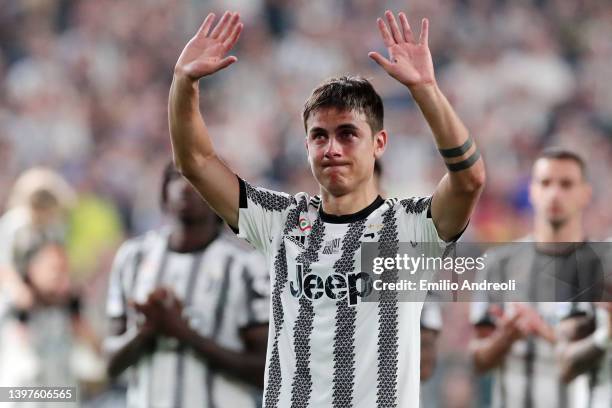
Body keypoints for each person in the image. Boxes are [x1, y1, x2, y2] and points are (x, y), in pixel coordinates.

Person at [168, 10, 484, 407]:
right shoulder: (281, 220)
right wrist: (183, 81)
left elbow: (469, 179)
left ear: (380, 143)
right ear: (306, 147)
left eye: (348, 134)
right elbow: (194, 162)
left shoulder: (411, 228)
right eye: (319, 136)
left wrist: (425, 89)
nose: (332, 148)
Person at [104, 163, 269, 408]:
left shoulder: (246, 266)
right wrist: (145, 331)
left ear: (220, 192)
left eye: (195, 177)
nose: (184, 186)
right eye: (175, 177)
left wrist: (185, 334)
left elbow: (264, 373)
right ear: (163, 192)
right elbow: (110, 364)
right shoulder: (133, 257)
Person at [470, 148, 609, 407]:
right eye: (546, 183)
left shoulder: (604, 267)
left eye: (566, 184)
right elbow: (478, 360)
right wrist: (507, 336)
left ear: (585, 194)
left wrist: (545, 331)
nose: (555, 193)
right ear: (532, 191)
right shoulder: (499, 264)